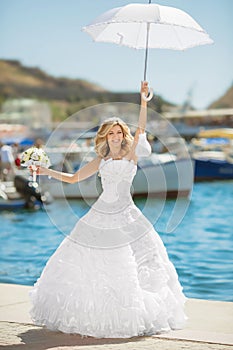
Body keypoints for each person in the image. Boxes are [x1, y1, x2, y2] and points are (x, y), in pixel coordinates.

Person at [29, 82, 187, 338]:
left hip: (128, 213)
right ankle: (93, 314)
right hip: (101, 212)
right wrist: (44, 171)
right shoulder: (100, 160)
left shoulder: (132, 154)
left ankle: (130, 314)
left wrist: (144, 101)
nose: (115, 137)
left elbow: (142, 129)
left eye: (118, 133)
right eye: (111, 133)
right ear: (105, 136)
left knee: (137, 264)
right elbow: (72, 179)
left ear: (124, 135)